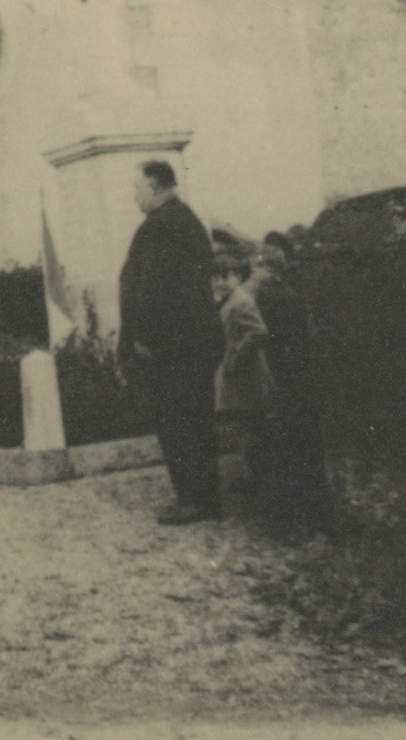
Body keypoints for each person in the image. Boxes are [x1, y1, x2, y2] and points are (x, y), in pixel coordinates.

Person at [117, 159, 224, 525]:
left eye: (137, 188)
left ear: (156, 186)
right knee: (195, 419)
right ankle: (205, 497)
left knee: (179, 422)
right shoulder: (184, 221)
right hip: (188, 343)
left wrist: (145, 338)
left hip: (172, 348)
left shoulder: (163, 226)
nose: (134, 195)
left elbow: (155, 290)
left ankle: (193, 499)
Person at [248, 234, 333, 535]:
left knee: (286, 449)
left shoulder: (265, 298)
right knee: (303, 451)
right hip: (296, 380)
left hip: (282, 381)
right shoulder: (288, 295)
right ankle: (313, 518)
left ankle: (291, 520)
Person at [211, 253, 276, 495]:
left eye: (225, 276)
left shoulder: (241, 301)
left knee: (253, 424)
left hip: (247, 373)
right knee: (247, 424)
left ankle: (261, 480)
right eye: (215, 278)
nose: (219, 283)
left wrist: (236, 357)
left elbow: (258, 332)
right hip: (238, 374)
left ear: (238, 276)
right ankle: (254, 477)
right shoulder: (229, 300)